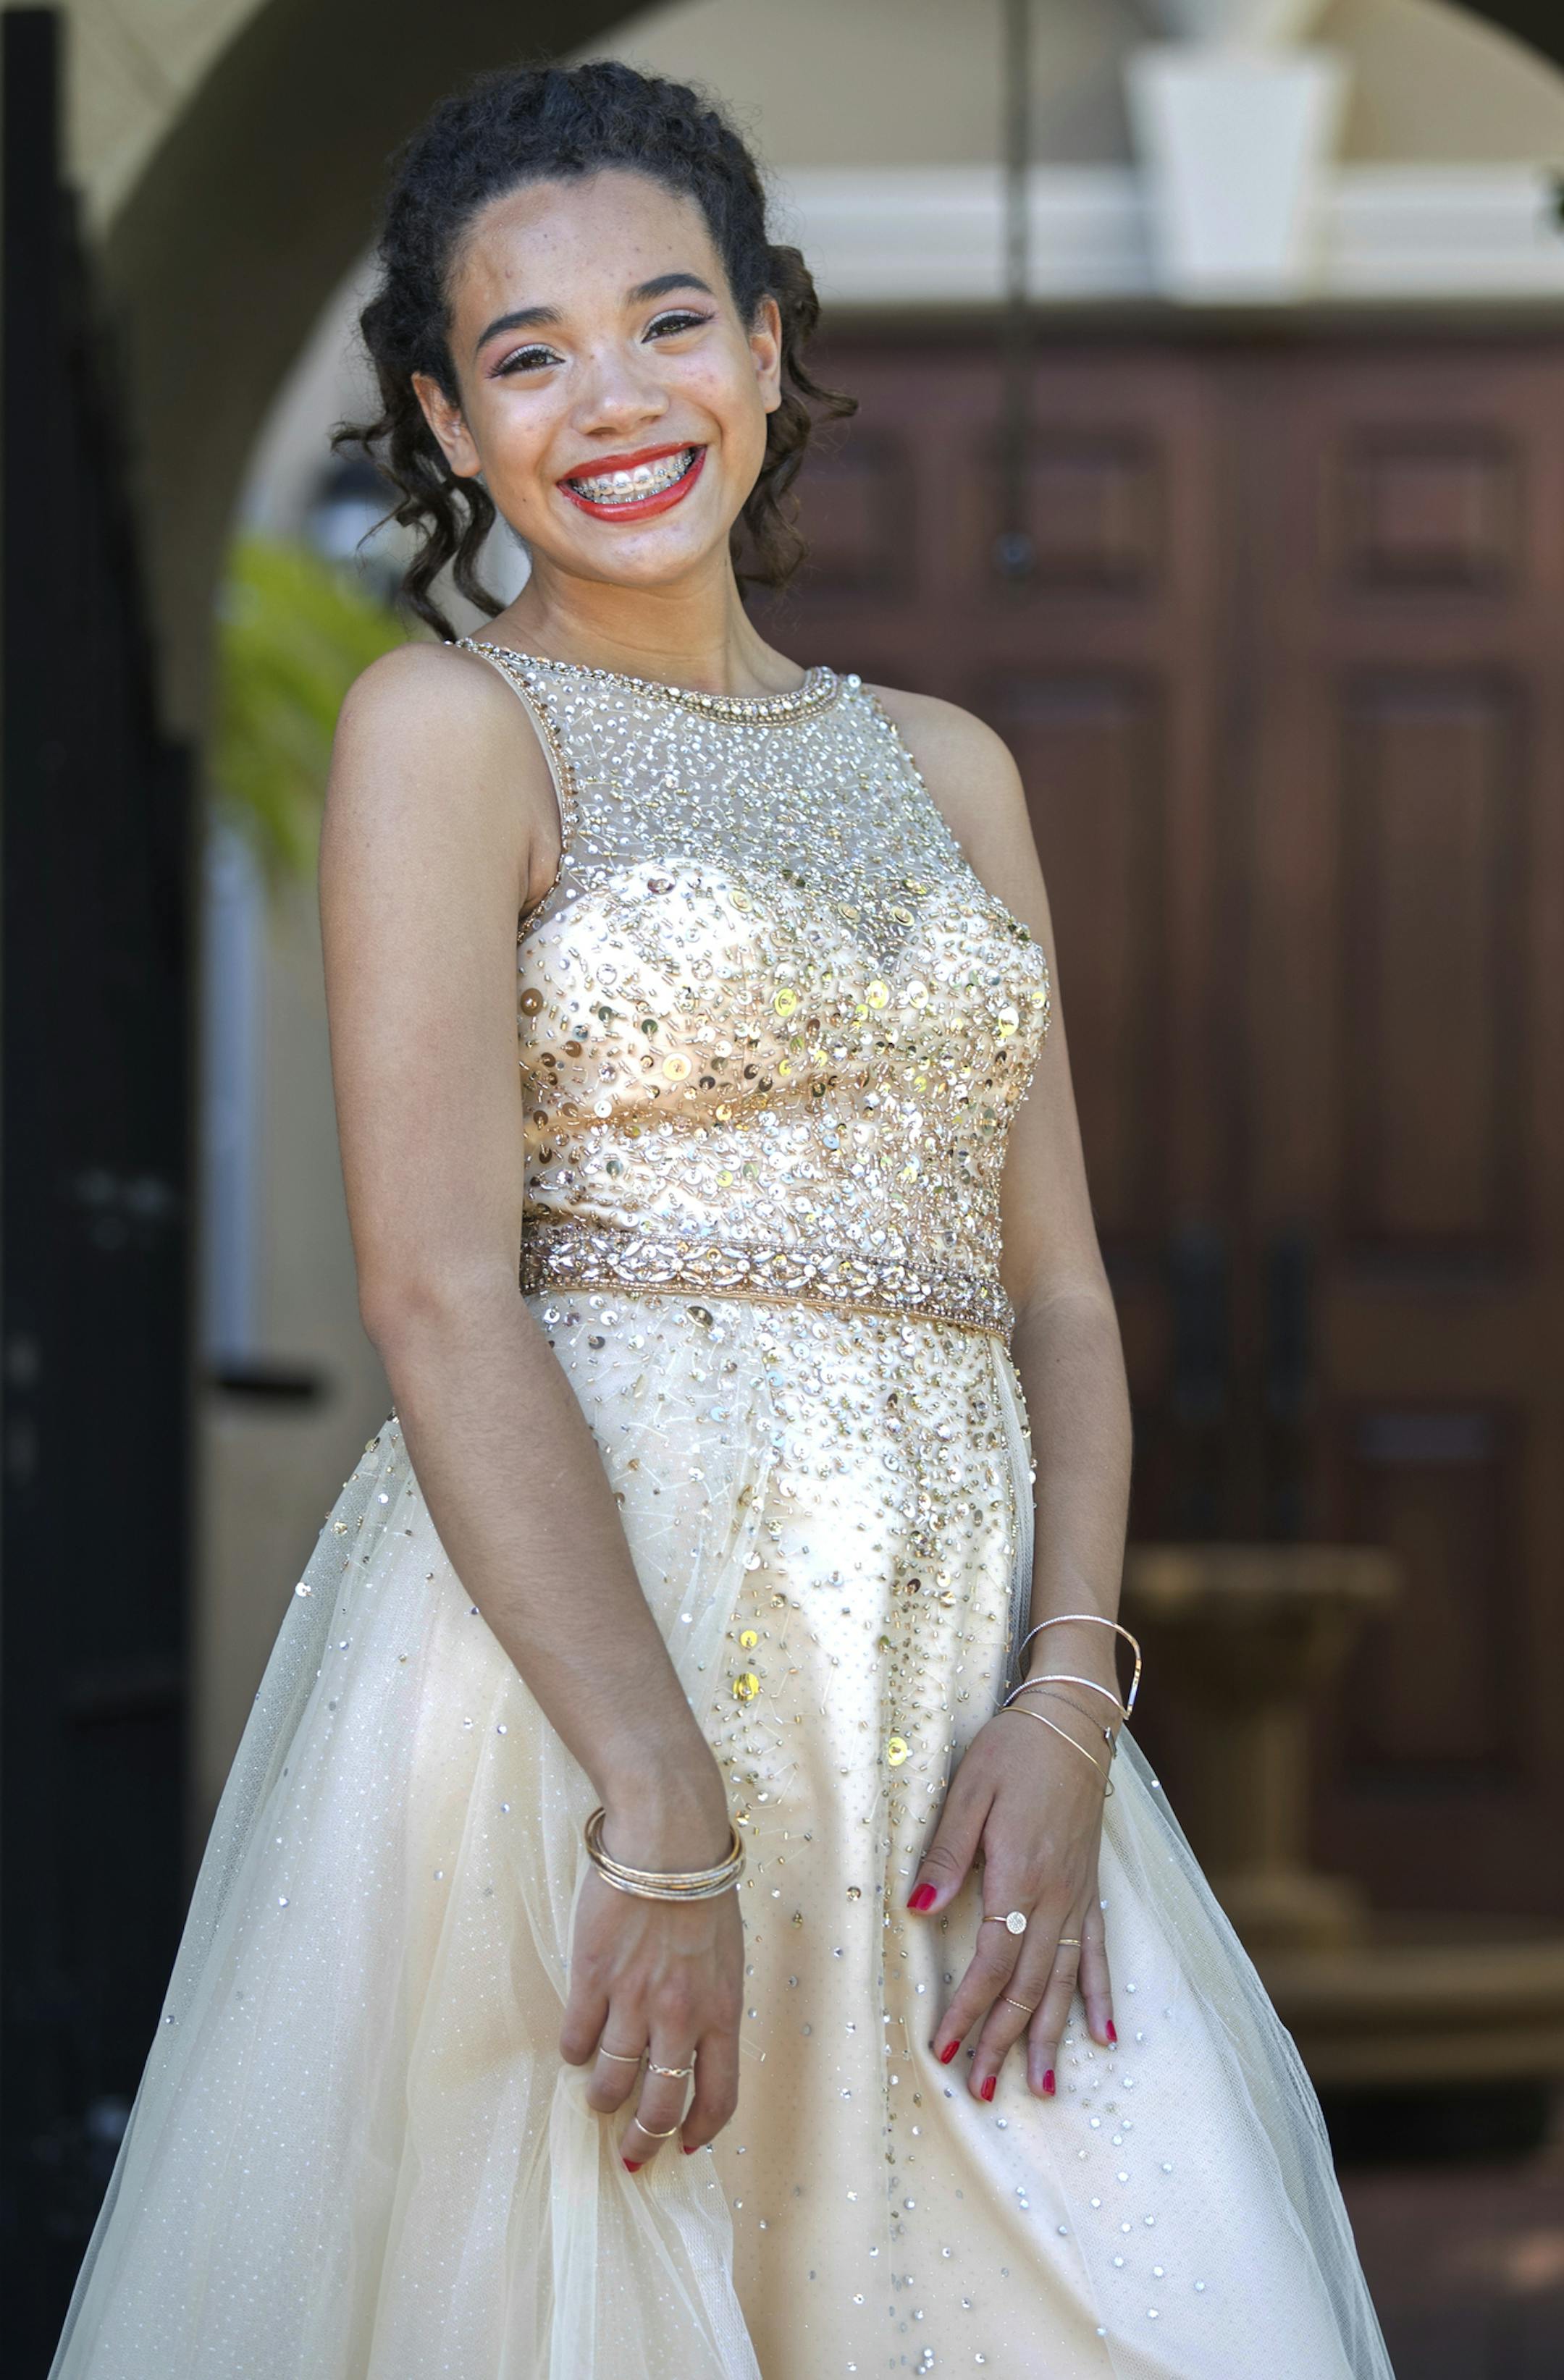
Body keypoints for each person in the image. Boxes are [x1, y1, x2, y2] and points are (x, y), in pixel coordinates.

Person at [49, 59, 1395, 2380]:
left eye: (669, 321)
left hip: (962, 1695)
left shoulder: (951, 765)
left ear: (772, 343)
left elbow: (1058, 1293)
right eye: (526, 353)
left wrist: (1068, 1705)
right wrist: (654, 1802)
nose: (617, 399)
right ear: (449, 428)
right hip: (589, 1679)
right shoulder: (450, 735)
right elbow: (436, 1287)